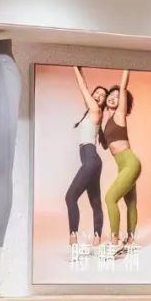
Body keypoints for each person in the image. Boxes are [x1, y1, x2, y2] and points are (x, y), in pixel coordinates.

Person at [65, 66, 107, 252]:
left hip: (90, 159)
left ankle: (73, 237)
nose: (98, 95)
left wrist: (74, 67)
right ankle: (97, 237)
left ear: (103, 102)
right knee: (95, 202)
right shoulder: (91, 112)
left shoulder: (96, 110)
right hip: (93, 161)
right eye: (97, 93)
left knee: (70, 197)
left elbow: (83, 87)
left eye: (102, 95)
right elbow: (86, 89)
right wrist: (80, 70)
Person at [100, 69, 142, 246]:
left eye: (117, 97)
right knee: (130, 202)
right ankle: (130, 240)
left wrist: (126, 66)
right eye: (111, 94)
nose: (113, 97)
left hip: (130, 162)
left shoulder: (119, 114)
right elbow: (105, 145)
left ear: (122, 102)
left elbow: (123, 87)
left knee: (110, 198)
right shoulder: (107, 122)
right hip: (123, 165)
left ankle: (114, 241)